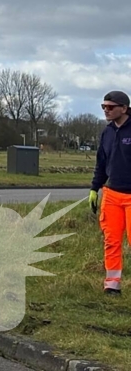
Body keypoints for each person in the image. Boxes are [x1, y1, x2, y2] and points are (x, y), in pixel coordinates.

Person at [90, 90, 131, 296]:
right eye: (103, 106)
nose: (106, 110)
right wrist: (94, 188)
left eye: (111, 107)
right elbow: (101, 162)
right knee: (111, 241)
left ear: (124, 108)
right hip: (112, 195)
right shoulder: (106, 132)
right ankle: (112, 285)